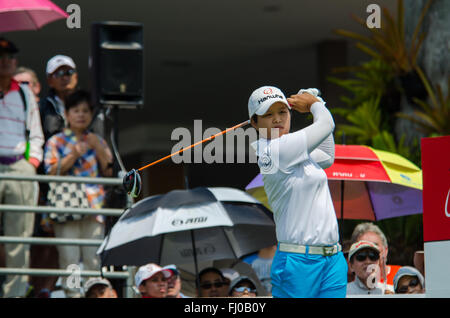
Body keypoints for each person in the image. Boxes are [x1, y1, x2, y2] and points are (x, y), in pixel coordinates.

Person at [248, 86, 347, 298]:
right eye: (268, 114)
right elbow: (327, 123)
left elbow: (327, 156)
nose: (277, 119)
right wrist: (314, 104)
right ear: (254, 123)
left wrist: (317, 101)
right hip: (297, 262)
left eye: (282, 112)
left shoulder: (295, 150)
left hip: (332, 258)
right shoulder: (276, 150)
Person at [43, 89, 113, 297]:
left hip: (94, 207)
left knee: (93, 257)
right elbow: (50, 171)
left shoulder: (97, 140)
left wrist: (99, 149)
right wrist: (73, 154)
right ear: (67, 113)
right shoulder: (56, 141)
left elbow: (109, 171)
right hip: (67, 206)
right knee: (69, 258)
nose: (81, 115)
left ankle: (94, 294)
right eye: (76, 110)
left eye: (85, 111)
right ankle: (73, 294)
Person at [0, 37, 44, 298]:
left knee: (20, 239)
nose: (6, 62)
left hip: (19, 166)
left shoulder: (26, 93)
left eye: (10, 58)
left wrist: (32, 164)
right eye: (1, 58)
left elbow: (36, 134)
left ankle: (14, 293)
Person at [350, 222, 399, 292]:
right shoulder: (346, 283)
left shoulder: (402, 275)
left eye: (374, 245)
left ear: (385, 250)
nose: (368, 260)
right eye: (362, 253)